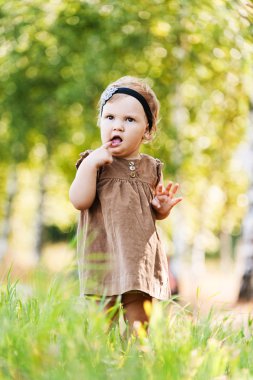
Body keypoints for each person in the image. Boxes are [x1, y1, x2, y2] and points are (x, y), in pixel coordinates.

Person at [69, 76, 182, 334]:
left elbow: (151, 211)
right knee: (100, 330)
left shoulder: (151, 168)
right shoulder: (93, 162)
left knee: (139, 329)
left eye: (129, 120)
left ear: (148, 130)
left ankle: (135, 366)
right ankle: (101, 368)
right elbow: (79, 200)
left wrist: (161, 208)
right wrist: (90, 164)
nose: (117, 126)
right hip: (102, 257)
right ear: (100, 121)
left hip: (138, 261)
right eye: (110, 118)